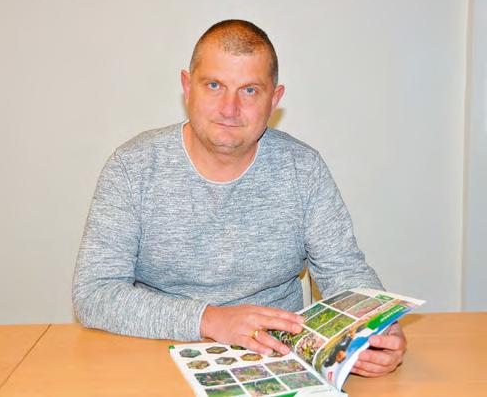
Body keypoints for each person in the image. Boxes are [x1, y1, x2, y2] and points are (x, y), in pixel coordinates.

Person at [72, 19, 406, 377]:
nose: (229, 109)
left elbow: (345, 271)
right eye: (214, 85)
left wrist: (377, 326)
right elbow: (94, 293)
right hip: (153, 357)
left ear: (274, 100)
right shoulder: (132, 166)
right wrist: (211, 320)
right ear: (187, 87)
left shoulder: (303, 168)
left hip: (277, 361)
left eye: (249, 90)